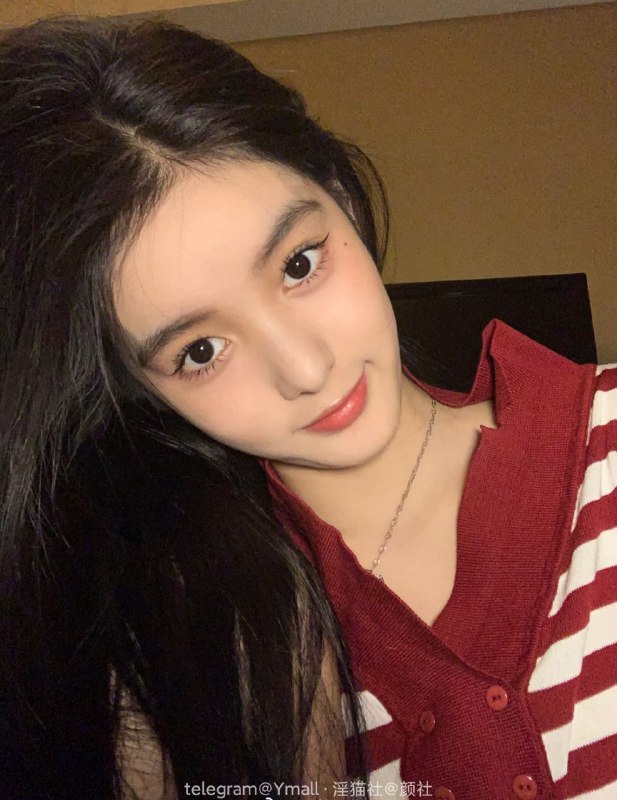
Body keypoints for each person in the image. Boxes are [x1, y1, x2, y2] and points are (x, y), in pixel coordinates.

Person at [0, 15, 615, 800]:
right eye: (200, 350)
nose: (306, 368)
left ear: (342, 198)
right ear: (134, 388)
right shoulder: (178, 648)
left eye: (298, 264)